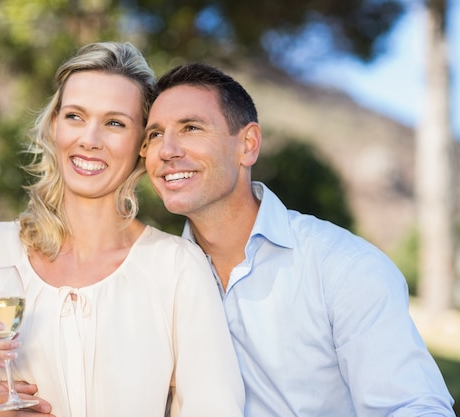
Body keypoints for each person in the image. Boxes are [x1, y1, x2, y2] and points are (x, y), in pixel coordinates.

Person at [0, 44, 244, 417]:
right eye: (74, 116)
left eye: (115, 123)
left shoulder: (178, 267)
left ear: (141, 144)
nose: (90, 139)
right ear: (54, 126)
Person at [139, 62, 456, 416]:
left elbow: (413, 406)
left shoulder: (343, 268)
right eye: (153, 135)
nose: (166, 150)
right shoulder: (154, 278)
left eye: (191, 128)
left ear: (247, 145)